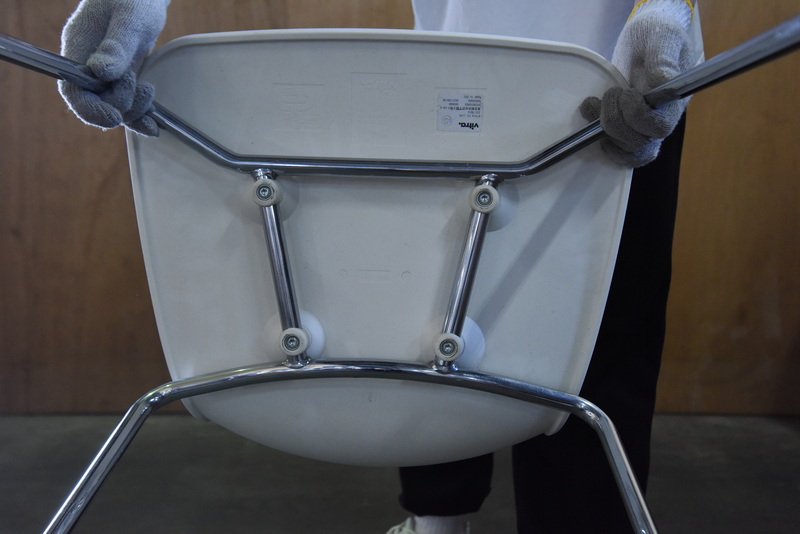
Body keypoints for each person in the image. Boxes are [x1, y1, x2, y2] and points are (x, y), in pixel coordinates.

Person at [58, 1, 704, 533]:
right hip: (459, 68)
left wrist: (665, 13)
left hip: (630, 79)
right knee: (423, 304)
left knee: (598, 344)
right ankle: (436, 519)